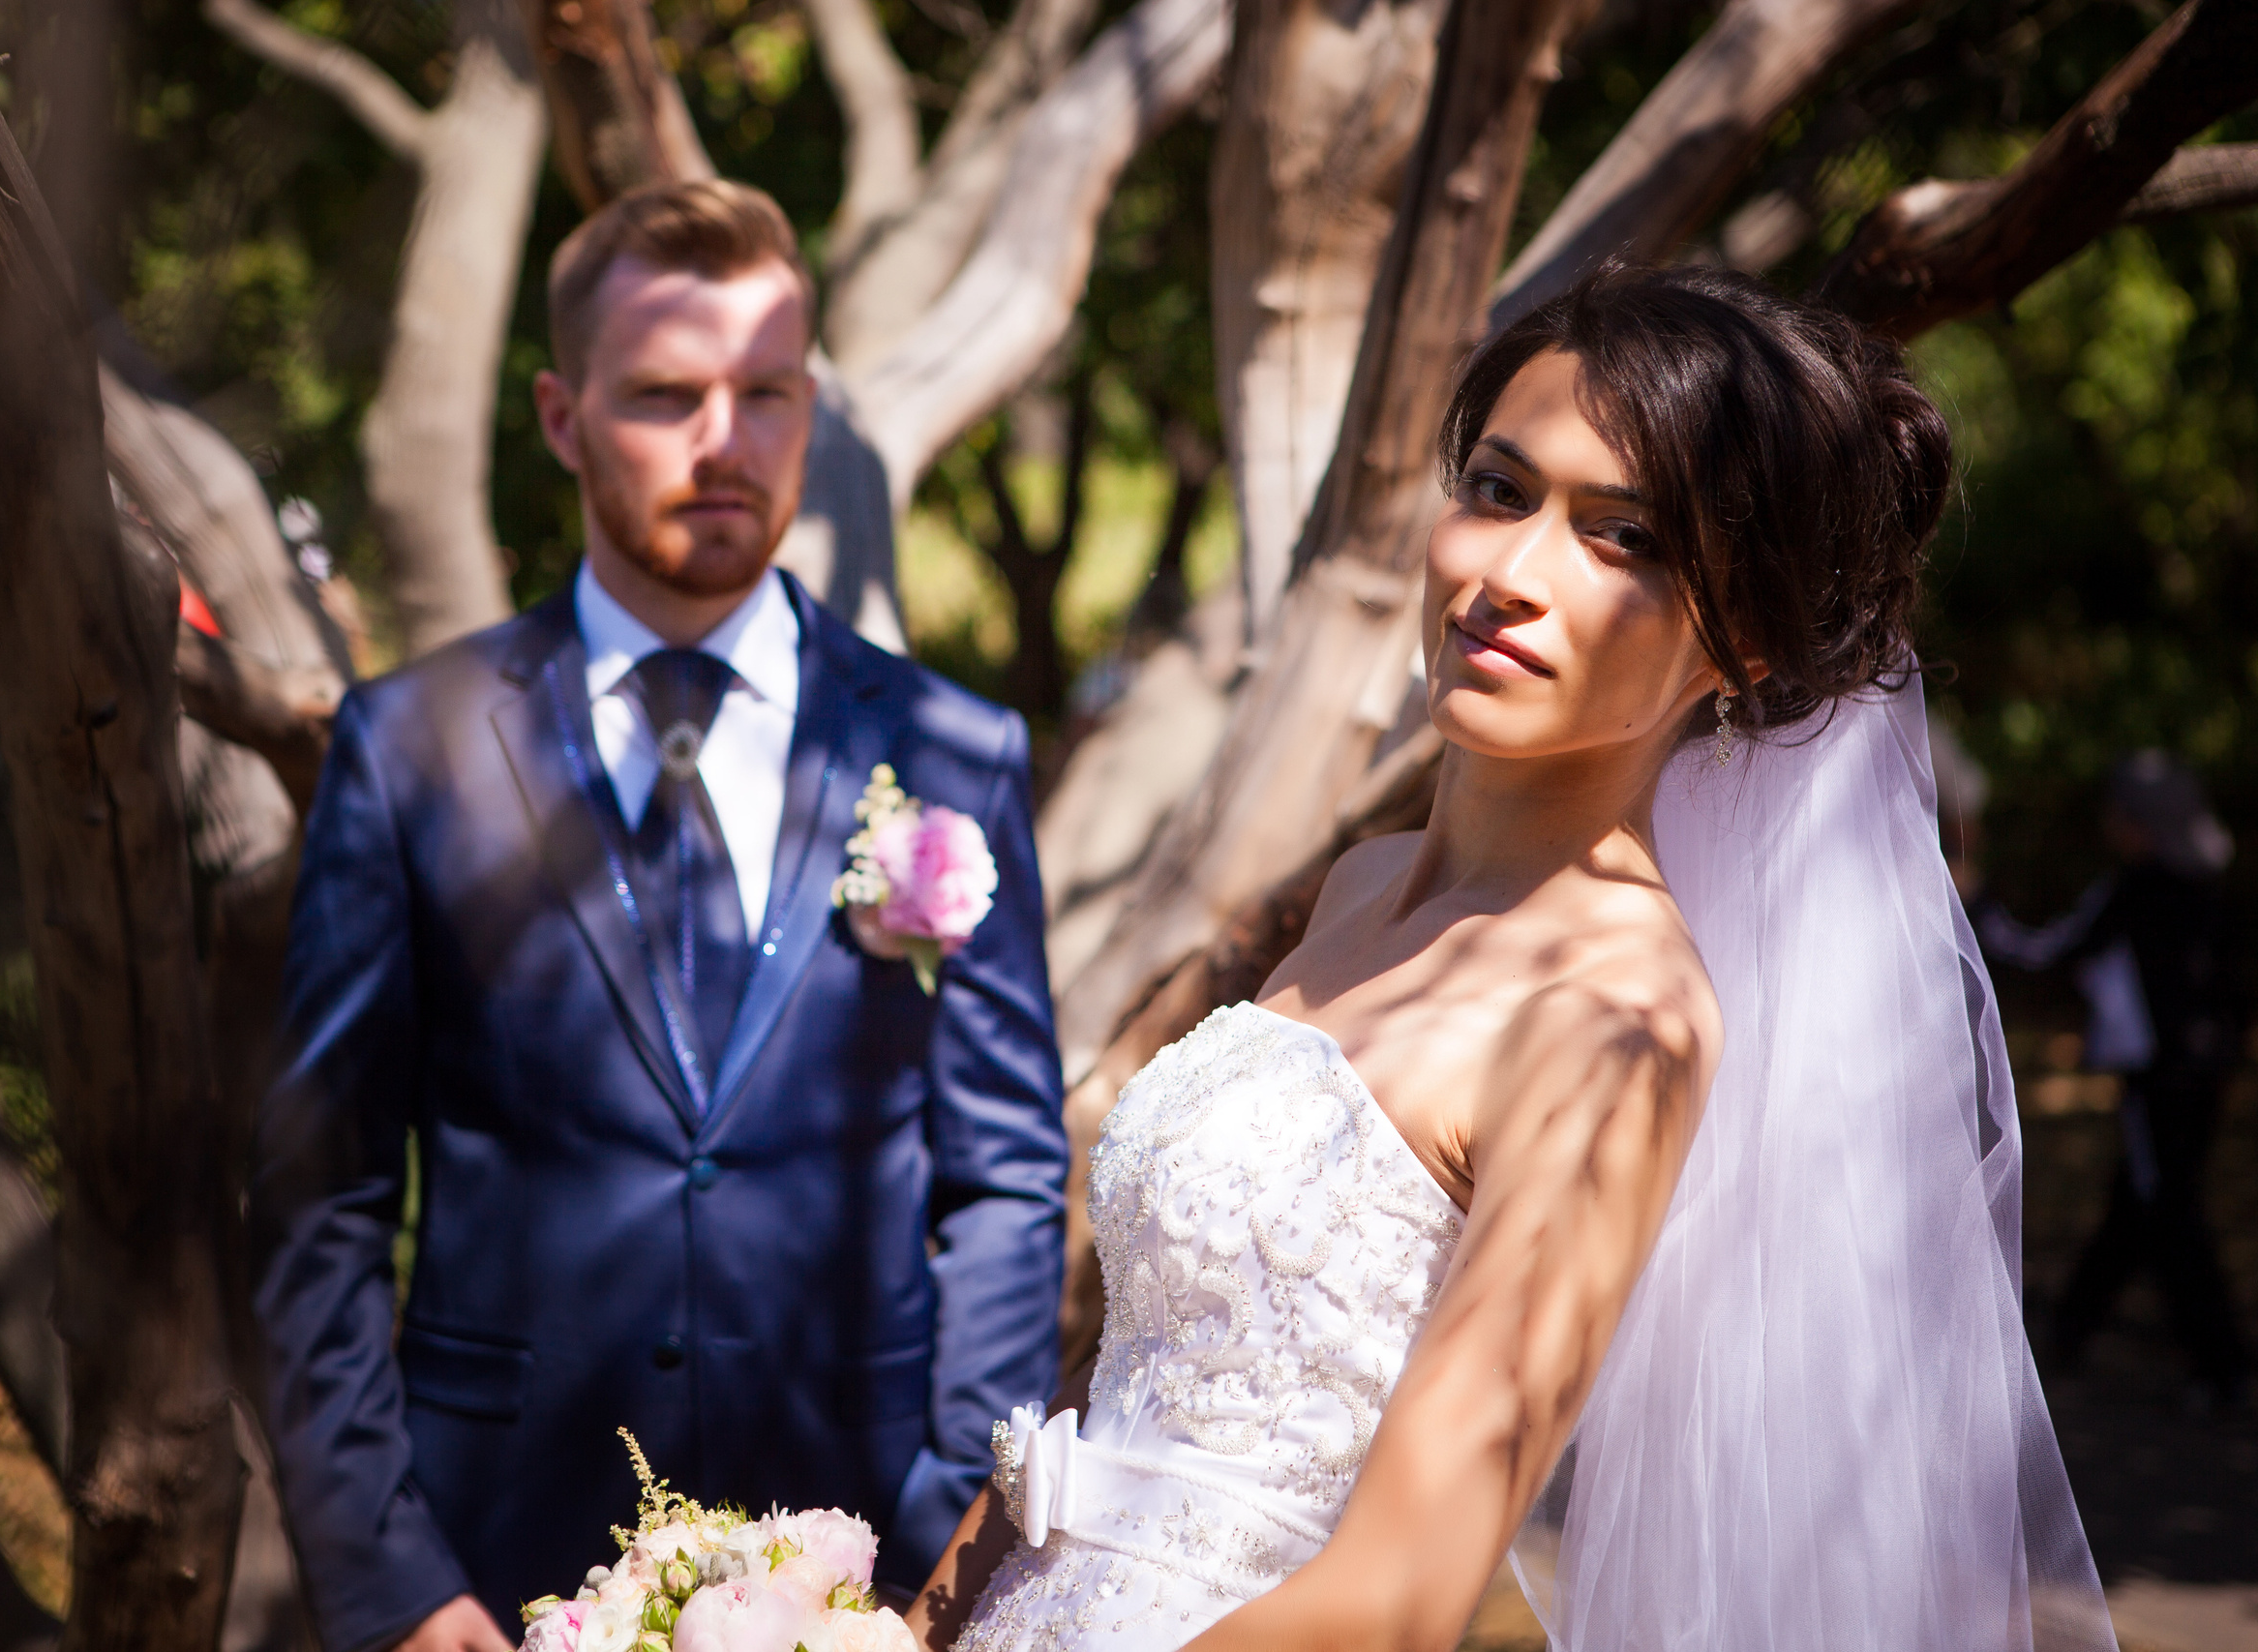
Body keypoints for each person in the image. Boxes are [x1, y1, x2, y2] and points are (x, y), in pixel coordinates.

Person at [911, 264, 2115, 1652]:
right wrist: (907, 1624)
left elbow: (1400, 1597)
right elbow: (1131, 1374)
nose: (1509, 576)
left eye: (1627, 539)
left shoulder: (1617, 1023)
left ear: (1750, 638)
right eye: (1498, 489)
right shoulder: (1357, 890)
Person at [251, 180, 1069, 1652]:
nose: (724, 441)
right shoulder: (414, 744)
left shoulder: (951, 752)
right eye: (665, 395)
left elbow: (1003, 1182)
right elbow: (323, 1200)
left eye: (766, 393)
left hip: (866, 1562)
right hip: (495, 1557)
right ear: (563, 419)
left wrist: (951, 1536)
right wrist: (395, 1581)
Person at [1978, 750, 2246, 1409]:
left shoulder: (2134, 892)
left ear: (2139, 824)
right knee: (2141, 1200)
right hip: (2201, 1081)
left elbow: (2042, 948)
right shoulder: (2212, 894)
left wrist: (1973, 909)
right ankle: (2070, 1328)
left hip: (2159, 1085)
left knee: (2166, 1209)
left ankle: (2225, 1368)